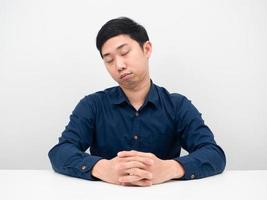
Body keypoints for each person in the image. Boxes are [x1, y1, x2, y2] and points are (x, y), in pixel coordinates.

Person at [48, 17, 226, 187]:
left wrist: (169, 168)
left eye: (124, 52)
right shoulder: (92, 105)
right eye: (109, 60)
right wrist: (102, 168)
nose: (119, 65)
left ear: (147, 49)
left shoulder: (177, 105)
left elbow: (214, 154)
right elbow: (61, 151)